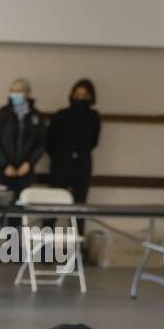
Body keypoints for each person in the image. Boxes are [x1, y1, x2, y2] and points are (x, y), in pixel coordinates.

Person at [47, 79, 101, 231]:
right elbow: (50, 141)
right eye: (77, 95)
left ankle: (77, 248)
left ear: (91, 97)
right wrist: (62, 156)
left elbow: (93, 141)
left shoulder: (93, 117)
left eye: (84, 95)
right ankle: (44, 248)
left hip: (82, 166)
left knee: (79, 208)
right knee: (52, 207)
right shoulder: (61, 115)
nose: (80, 99)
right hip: (60, 165)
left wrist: (78, 152)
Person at [0, 77, 47, 197]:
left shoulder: (36, 117)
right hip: (0, 171)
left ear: (27, 93)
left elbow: (41, 143)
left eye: (19, 91)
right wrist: (5, 165)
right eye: (13, 90)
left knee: (18, 209)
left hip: (24, 173)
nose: (16, 94)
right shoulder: (1, 115)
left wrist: (29, 163)